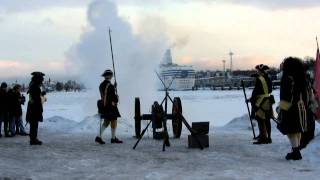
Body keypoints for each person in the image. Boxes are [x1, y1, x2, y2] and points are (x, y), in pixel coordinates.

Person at [278, 57, 308, 160]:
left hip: (291, 108)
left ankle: (295, 152)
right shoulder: (301, 77)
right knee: (297, 129)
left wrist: (281, 108)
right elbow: (305, 94)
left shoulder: (288, 78)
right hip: (301, 106)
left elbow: (287, 96)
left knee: (291, 131)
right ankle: (296, 150)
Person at [95, 69, 122, 144]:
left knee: (106, 122)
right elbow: (113, 97)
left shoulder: (101, 85)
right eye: (111, 75)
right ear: (109, 76)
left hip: (104, 106)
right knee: (114, 121)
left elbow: (105, 94)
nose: (112, 76)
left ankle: (98, 136)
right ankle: (113, 138)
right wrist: (115, 94)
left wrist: (114, 87)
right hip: (111, 106)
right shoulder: (110, 85)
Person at [249, 64, 274, 144]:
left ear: (261, 71)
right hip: (267, 100)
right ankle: (268, 137)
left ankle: (263, 137)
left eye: (258, 71)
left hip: (261, 101)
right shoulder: (267, 78)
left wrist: (251, 99)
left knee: (260, 118)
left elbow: (256, 91)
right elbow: (269, 90)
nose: (257, 72)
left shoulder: (260, 79)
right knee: (267, 119)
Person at [26, 72, 46, 145]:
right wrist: (42, 97)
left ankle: (33, 138)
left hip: (32, 108)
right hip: (34, 109)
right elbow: (37, 100)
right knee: (34, 124)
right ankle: (33, 139)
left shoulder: (33, 86)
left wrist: (41, 95)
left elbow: (36, 98)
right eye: (41, 79)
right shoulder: (35, 87)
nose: (42, 81)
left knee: (33, 124)